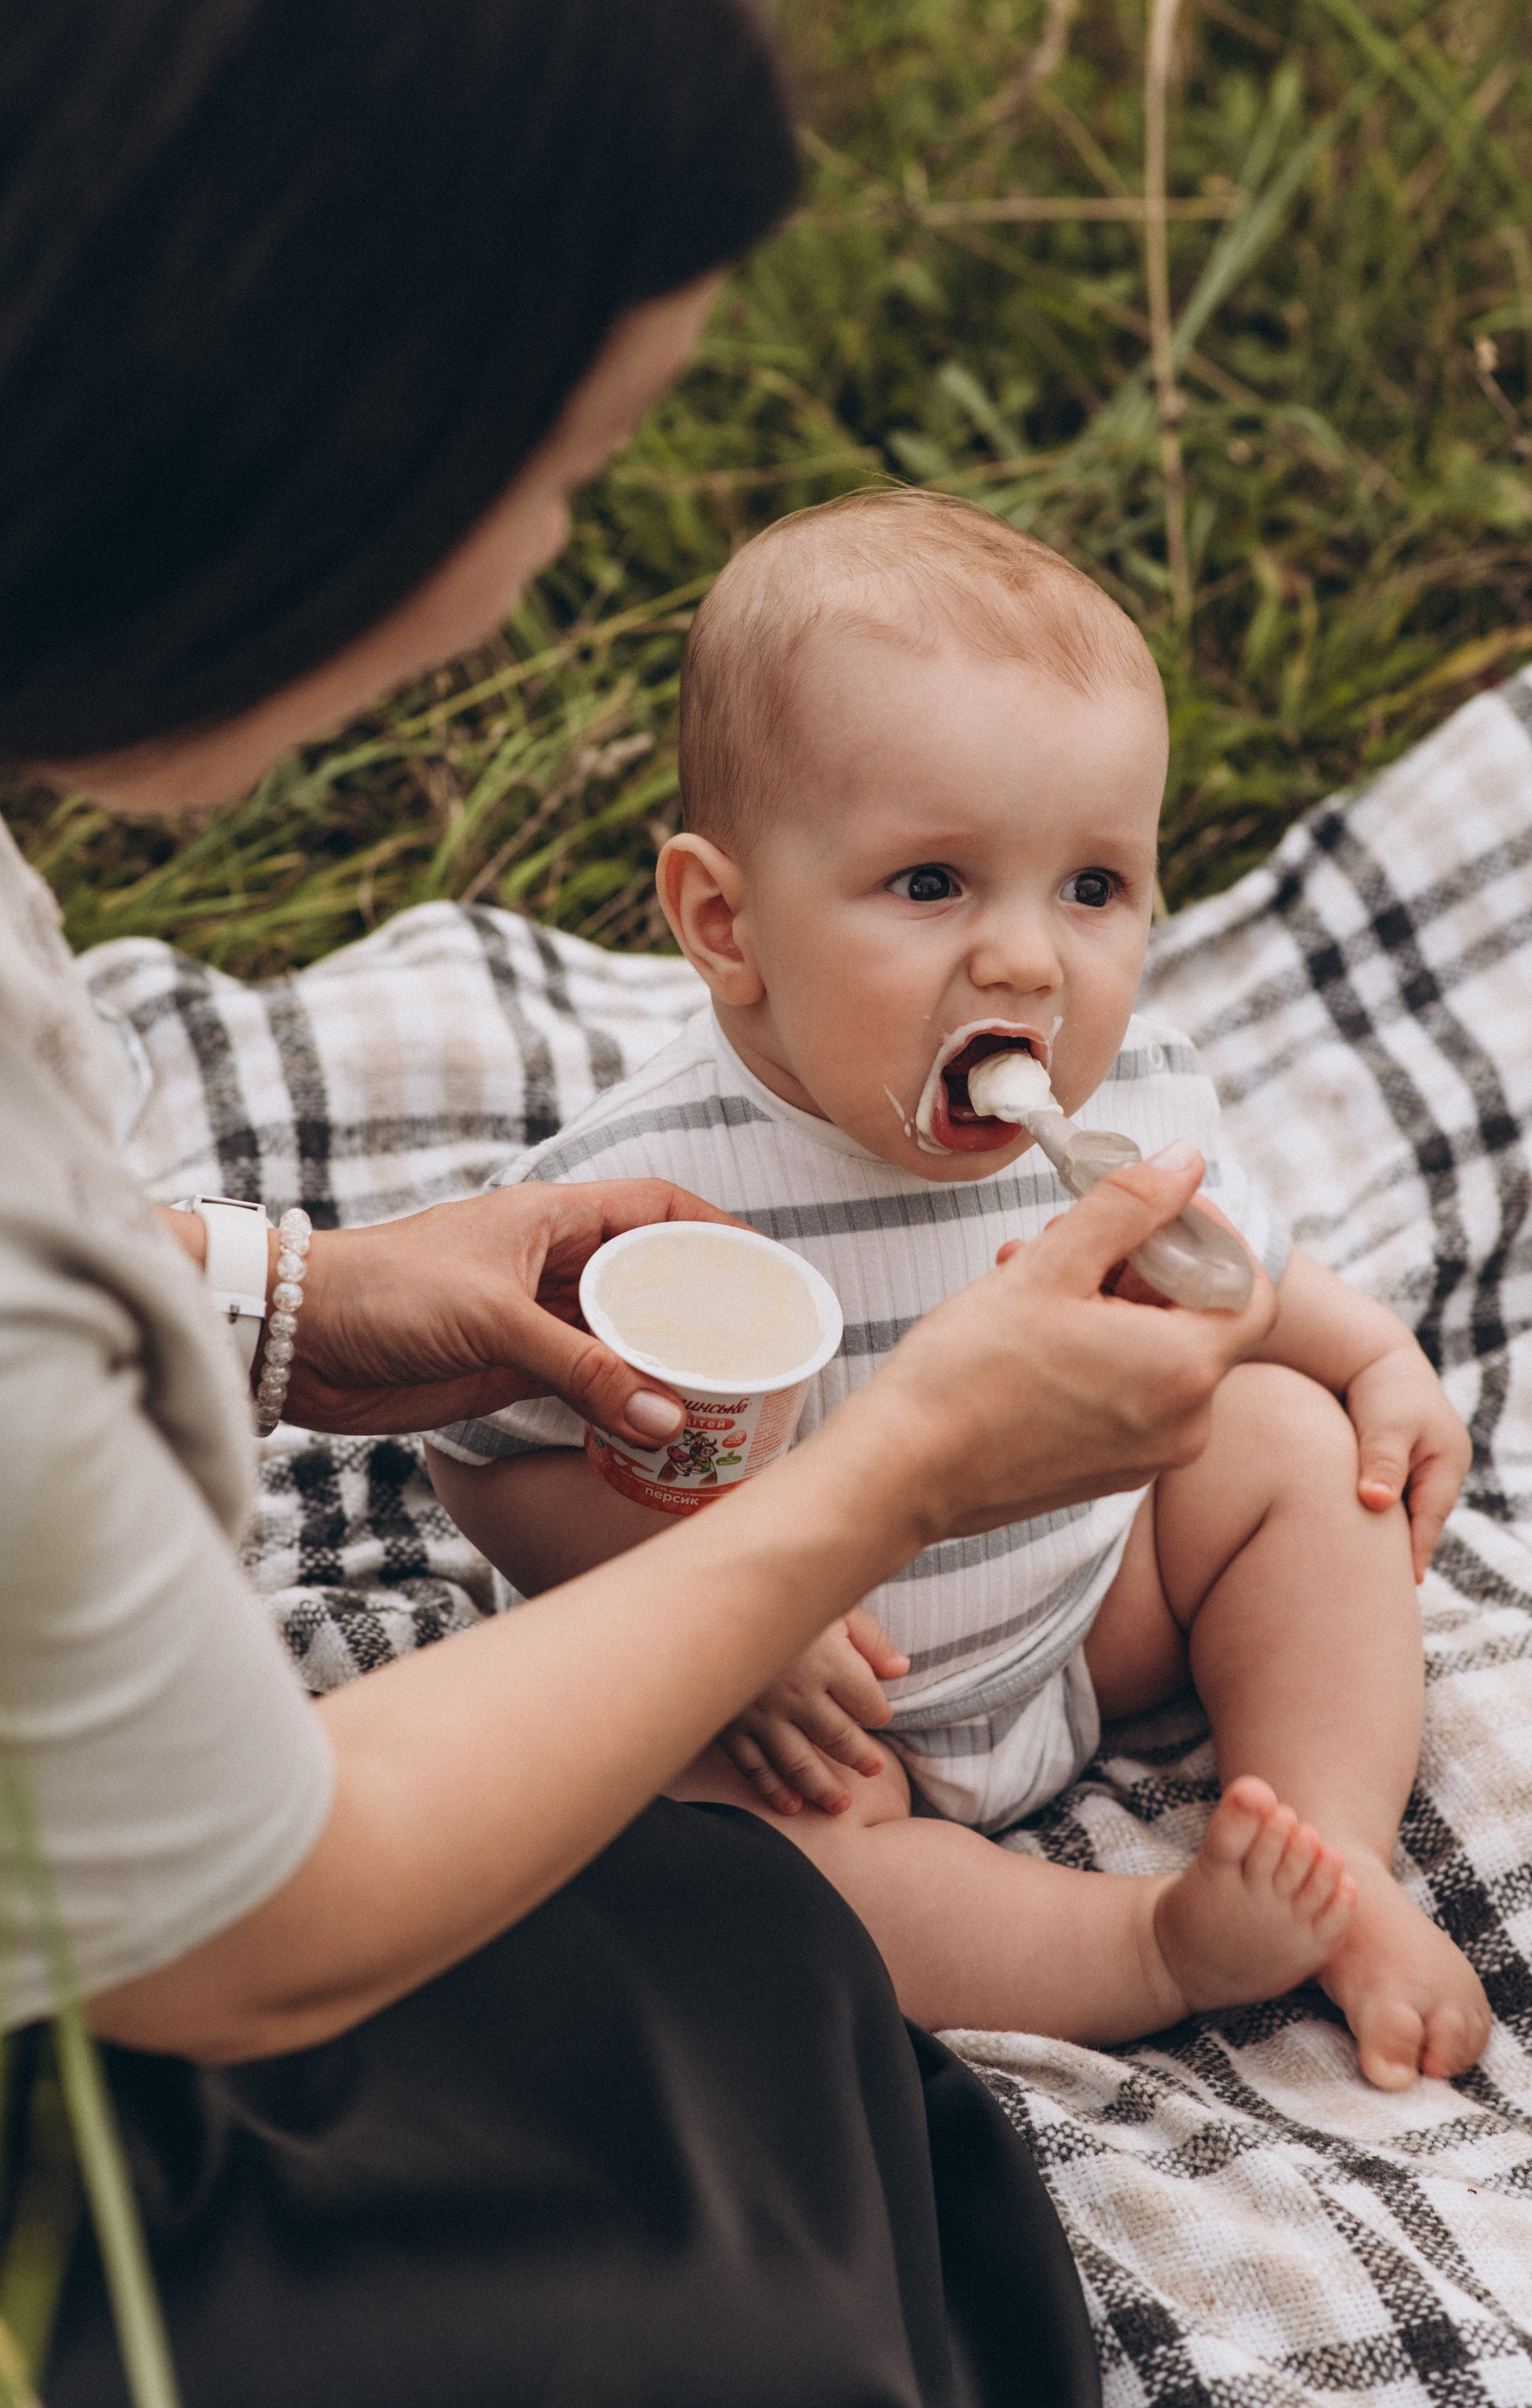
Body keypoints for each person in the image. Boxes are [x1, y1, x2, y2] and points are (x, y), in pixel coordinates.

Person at [0, 7, 1289, 2403]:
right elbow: (238, 1928)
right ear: (285, 429)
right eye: (570, 467)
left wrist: (286, 1294)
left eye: (1097, 884)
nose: (540, 576)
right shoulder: (673, 1151)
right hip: (119, 2037)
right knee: (748, 1974)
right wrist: (888, 1479)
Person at [426, 489, 1492, 2094]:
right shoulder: (644, 1189)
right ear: (726, 924)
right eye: (931, 885)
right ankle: (1139, 1950)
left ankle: (1330, 1865)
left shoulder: (1120, 1097)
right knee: (725, 1841)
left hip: (1073, 1613)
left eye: (1091, 888)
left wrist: (1377, 1356)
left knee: (1284, 1446)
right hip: (817, 1725)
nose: (1029, 965)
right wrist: (728, 1616)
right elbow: (487, 1458)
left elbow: (1234, 1276)